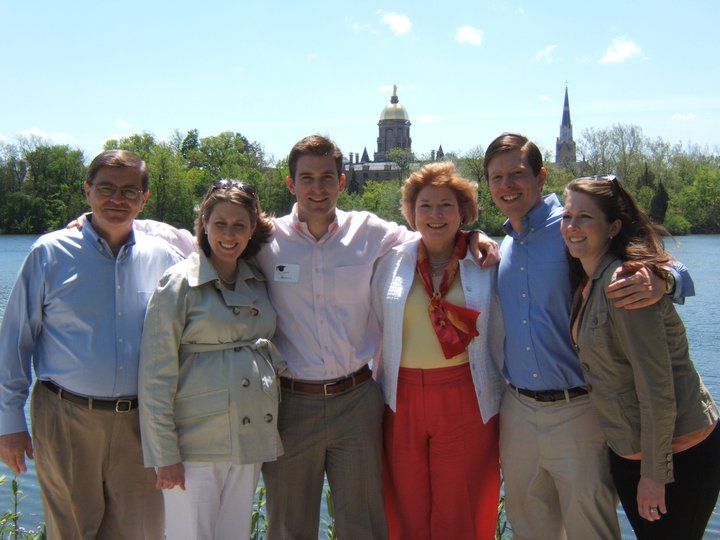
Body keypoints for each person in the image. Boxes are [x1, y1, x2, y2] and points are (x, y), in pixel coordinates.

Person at [123, 134, 498, 538]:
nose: (317, 188)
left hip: (356, 401)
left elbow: (432, 232)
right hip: (290, 404)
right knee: (288, 523)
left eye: (326, 178)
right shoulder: (265, 240)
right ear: (291, 185)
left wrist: (475, 236)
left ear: (342, 181)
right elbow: (199, 237)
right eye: (307, 178)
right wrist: (120, 221)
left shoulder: (370, 232)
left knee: (364, 522)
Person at [483, 133, 694, 540]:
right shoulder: (500, 244)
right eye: (496, 177)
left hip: (579, 411)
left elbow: (666, 265)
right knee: (531, 528)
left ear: (540, 177)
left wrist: (665, 280)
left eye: (517, 174)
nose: (507, 185)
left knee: (589, 529)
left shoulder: (573, 226)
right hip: (517, 412)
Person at [0, 150, 181, 539]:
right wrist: (9, 422)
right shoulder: (49, 253)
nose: (117, 199)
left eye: (129, 191)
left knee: (141, 532)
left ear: (144, 199)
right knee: (71, 532)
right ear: (87, 191)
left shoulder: (165, 258)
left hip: (140, 422)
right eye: (106, 189)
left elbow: (221, 251)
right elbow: (15, 342)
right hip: (65, 417)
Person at [561, 175, 720, 540]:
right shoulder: (588, 279)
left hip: (680, 452)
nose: (572, 226)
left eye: (585, 217)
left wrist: (655, 474)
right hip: (633, 452)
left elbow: (656, 387)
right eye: (567, 216)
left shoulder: (627, 285)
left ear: (613, 226)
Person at [139, 179, 286, 539]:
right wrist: (164, 454)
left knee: (234, 534)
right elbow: (155, 377)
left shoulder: (256, 281)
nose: (229, 234)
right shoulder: (177, 284)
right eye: (220, 223)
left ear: (252, 229)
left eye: (240, 225)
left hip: (249, 434)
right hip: (195, 445)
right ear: (204, 223)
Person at [371, 162, 504, 539]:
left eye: (446, 205)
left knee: (458, 508)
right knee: (406, 506)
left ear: (464, 211)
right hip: (401, 399)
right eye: (425, 205)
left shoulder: (486, 262)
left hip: (465, 396)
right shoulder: (389, 261)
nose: (435, 214)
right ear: (411, 213)